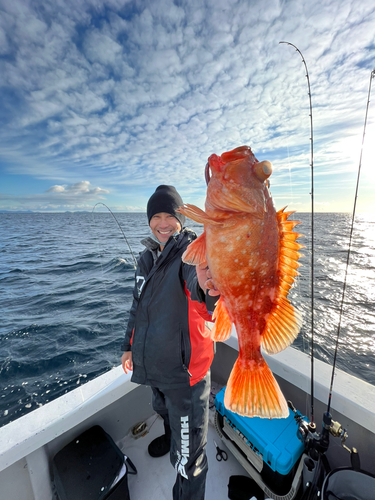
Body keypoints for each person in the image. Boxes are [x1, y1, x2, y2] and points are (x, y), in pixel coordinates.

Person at [121, 185, 218, 500]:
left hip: (186, 377)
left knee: (189, 463)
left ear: (181, 219)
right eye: (157, 216)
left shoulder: (192, 252)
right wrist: (128, 346)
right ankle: (173, 435)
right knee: (160, 407)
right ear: (149, 220)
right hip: (156, 368)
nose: (164, 223)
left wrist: (208, 289)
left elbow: (200, 289)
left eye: (171, 216)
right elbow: (138, 306)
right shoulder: (146, 257)